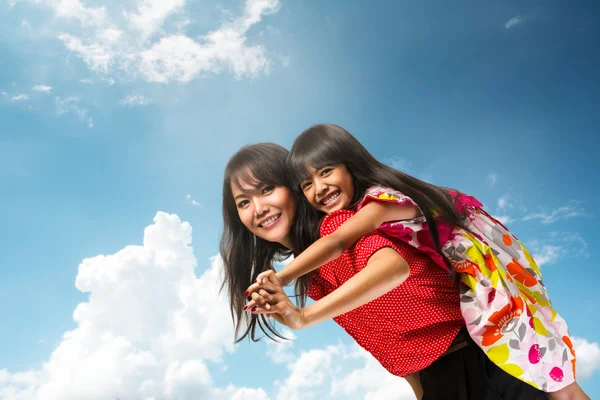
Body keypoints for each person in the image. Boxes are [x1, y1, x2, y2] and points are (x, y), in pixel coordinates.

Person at [246, 124, 589, 399]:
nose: (319, 188)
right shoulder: (353, 220)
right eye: (307, 184)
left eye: (326, 172)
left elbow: (337, 242)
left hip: (490, 281)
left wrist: (282, 277)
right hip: (467, 306)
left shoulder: (379, 203)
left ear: (350, 166)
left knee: (555, 380)